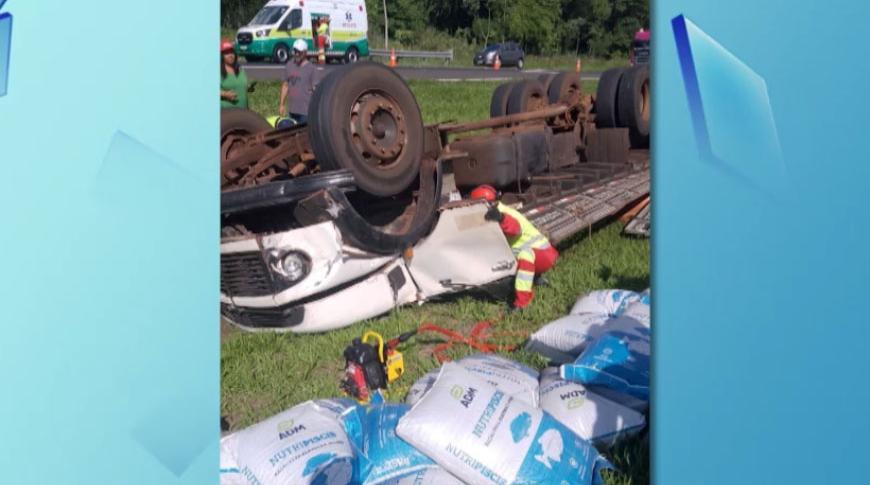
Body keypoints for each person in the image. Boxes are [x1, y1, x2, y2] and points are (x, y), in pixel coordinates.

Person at [470, 184, 559, 310]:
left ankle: (522, 303)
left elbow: (515, 229)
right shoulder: (502, 209)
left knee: (524, 259)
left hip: (538, 255)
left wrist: (501, 218)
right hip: (545, 253)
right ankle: (536, 278)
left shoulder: (502, 213)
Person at [279, 39, 318, 124]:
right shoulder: (289, 65)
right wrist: (281, 104)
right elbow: (285, 85)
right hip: (292, 111)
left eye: (299, 52)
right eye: (295, 51)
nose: (296, 54)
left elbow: (316, 90)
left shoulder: (311, 68)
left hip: (306, 112)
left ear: (305, 52)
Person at [220, 39, 251, 109]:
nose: (231, 55)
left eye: (232, 52)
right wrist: (225, 94)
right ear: (221, 55)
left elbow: (242, 88)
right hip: (226, 113)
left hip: (243, 111)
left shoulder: (240, 70)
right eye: (227, 53)